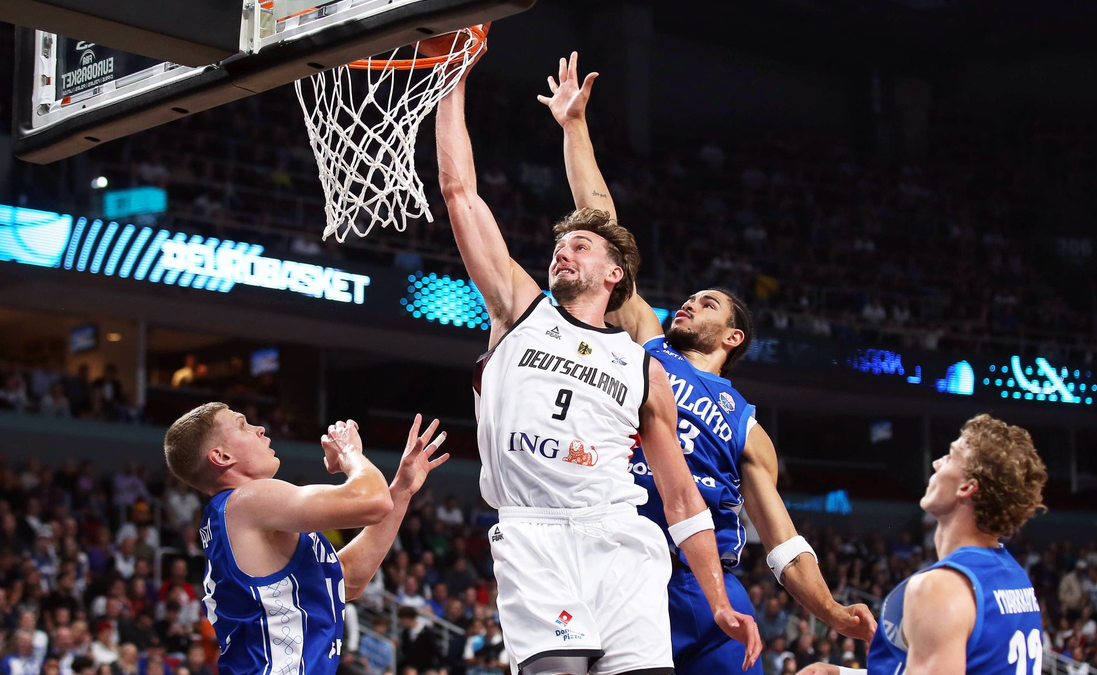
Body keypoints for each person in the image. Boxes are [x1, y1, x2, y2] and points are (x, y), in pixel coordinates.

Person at [540, 51, 876, 675]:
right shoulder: (648, 343)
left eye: (709, 302)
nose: (690, 302)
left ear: (733, 336)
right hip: (624, 561)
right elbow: (605, 228)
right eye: (691, 297)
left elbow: (782, 539)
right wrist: (575, 127)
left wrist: (830, 611)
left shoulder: (748, 426)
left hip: (706, 583)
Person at [435, 45, 761, 675]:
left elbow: (681, 498)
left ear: (614, 276)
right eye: (560, 246)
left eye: (579, 246)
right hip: (534, 532)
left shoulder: (643, 362)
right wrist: (451, 80)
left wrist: (718, 600)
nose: (563, 252)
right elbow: (460, 192)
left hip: (622, 540)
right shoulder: (518, 310)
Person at [163, 403, 447, 675]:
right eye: (242, 426)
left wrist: (401, 491)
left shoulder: (235, 516)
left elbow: (348, 579)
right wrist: (348, 451)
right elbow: (373, 500)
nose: (259, 428)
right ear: (222, 457)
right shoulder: (247, 500)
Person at [797, 414, 1048, 675]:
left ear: (966, 487)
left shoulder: (940, 588)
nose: (937, 463)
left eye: (950, 457)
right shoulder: (1015, 576)